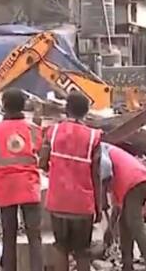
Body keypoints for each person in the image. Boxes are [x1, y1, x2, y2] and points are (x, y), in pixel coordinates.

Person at [39, 91, 102, 271]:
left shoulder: (53, 131)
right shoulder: (93, 137)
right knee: (83, 251)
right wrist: (98, 206)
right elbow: (96, 174)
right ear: (86, 112)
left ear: (66, 109)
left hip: (58, 202)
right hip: (83, 205)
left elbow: (42, 163)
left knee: (61, 248)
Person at [0, 89, 43, 271]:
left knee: (8, 236)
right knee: (35, 236)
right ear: (23, 106)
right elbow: (40, 153)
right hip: (29, 187)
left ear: (3, 105)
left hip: (5, 188)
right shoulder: (34, 129)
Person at [101, 142, 146, 271]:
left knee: (134, 223)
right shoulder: (105, 153)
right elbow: (116, 209)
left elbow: (104, 172)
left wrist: (102, 198)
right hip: (137, 181)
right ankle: (127, 263)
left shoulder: (98, 152)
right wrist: (109, 230)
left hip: (136, 181)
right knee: (124, 224)